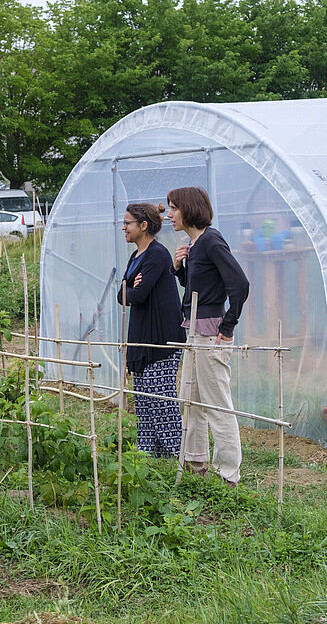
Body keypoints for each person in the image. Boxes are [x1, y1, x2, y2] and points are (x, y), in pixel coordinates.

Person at [167, 186, 250, 485]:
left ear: (188, 209)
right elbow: (199, 289)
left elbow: (239, 284)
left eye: (173, 208)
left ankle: (229, 474)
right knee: (190, 400)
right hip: (194, 332)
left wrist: (227, 328)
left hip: (210, 333)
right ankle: (196, 463)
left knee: (217, 404)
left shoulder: (212, 240)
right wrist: (180, 270)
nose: (168, 214)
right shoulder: (196, 245)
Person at [116, 203, 186, 458]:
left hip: (161, 339)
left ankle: (178, 457)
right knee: (144, 402)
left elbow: (140, 294)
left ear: (143, 226)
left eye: (128, 223)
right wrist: (128, 289)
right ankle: (149, 457)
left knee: (161, 399)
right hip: (142, 338)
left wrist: (129, 290)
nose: (123, 227)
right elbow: (120, 293)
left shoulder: (157, 254)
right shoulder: (136, 257)